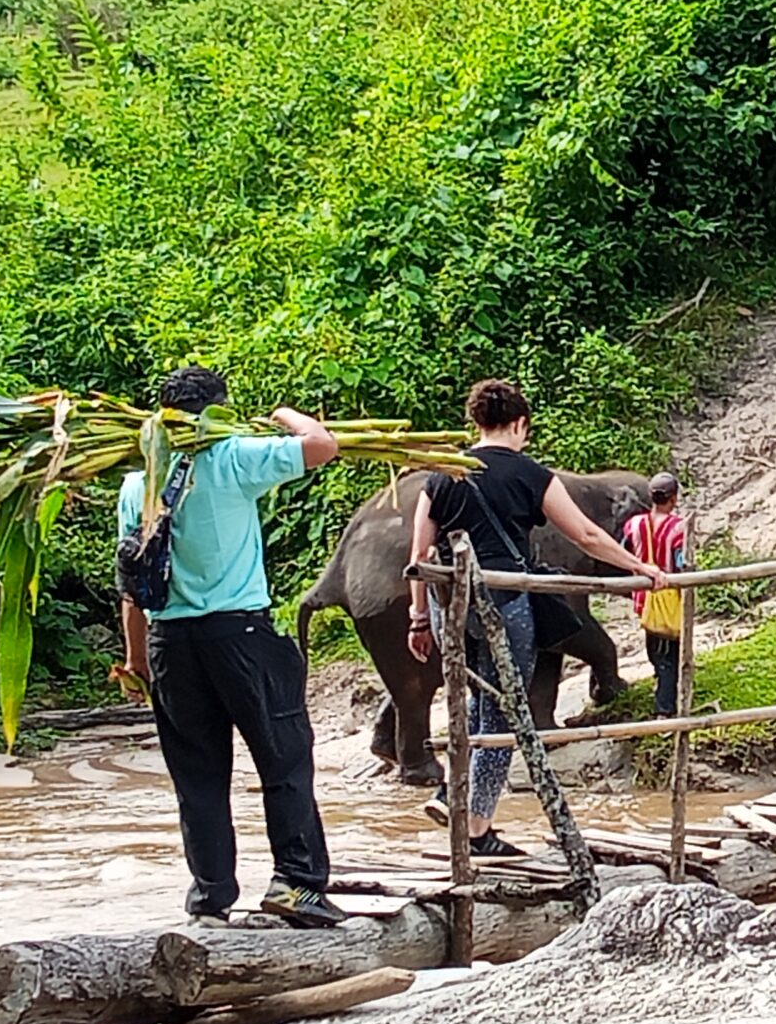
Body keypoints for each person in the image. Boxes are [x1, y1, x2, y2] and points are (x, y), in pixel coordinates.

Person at [116, 366, 344, 927]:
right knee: (284, 758)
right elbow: (322, 446)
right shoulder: (235, 457)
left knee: (197, 777)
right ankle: (295, 884)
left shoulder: (137, 483)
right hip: (239, 635)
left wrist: (137, 657)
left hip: (171, 643)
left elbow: (131, 582)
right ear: (218, 412)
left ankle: (210, 898)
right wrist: (283, 415)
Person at [407, 379, 666, 857]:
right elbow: (587, 535)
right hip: (505, 605)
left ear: (476, 422)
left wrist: (419, 618)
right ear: (520, 424)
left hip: (450, 608)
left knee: (475, 704)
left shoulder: (441, 475)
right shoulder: (532, 474)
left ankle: (453, 797)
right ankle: (477, 828)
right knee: (504, 712)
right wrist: (640, 567)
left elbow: (420, 555)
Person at [620, 472, 693, 713]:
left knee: (655, 644)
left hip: (643, 597)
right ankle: (665, 708)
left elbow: (623, 552)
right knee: (669, 654)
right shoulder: (679, 528)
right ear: (673, 498)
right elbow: (681, 562)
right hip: (669, 598)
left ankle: (662, 682)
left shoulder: (634, 525)